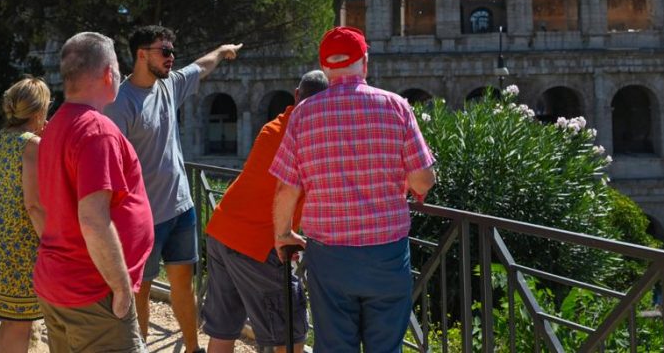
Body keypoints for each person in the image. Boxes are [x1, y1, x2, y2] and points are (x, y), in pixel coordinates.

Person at [270, 26, 436, 353]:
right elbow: (422, 181)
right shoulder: (396, 106)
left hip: (329, 256)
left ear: (326, 67)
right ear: (365, 62)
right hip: (386, 253)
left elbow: (285, 189)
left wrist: (283, 233)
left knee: (333, 346)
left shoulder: (303, 114)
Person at [103, 25, 242, 353]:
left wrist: (222, 50)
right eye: (164, 51)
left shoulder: (170, 85)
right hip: (142, 218)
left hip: (181, 209)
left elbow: (201, 66)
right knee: (141, 291)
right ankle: (141, 347)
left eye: (172, 51)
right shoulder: (120, 104)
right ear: (141, 54)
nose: (171, 57)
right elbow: (110, 162)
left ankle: (192, 349)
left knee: (184, 287)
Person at [35, 32, 153, 352]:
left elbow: (42, 206)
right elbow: (93, 220)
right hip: (92, 292)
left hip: (58, 283)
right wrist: (122, 288)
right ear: (107, 74)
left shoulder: (55, 126)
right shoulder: (96, 131)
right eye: (118, 69)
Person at [200, 70, 328, 353]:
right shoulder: (315, 136)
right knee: (289, 335)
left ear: (296, 95)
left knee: (223, 330)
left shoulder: (273, 126)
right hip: (256, 244)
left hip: (222, 231)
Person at [0, 77, 50, 353]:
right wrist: (52, 242)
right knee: (21, 323)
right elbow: (33, 204)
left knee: (11, 321)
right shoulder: (32, 145)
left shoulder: (0, 138)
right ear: (40, 110)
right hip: (21, 244)